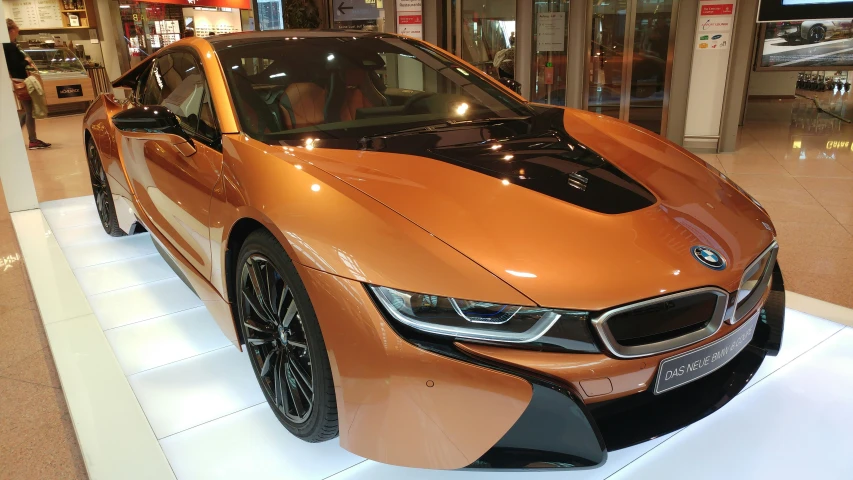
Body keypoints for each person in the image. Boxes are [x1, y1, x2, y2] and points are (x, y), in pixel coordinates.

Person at [4, 19, 50, 149]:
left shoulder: (7, 45)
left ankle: (13, 138)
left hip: (17, 80)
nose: (18, 30)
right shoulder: (10, 46)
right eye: (17, 28)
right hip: (21, 81)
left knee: (27, 110)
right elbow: (16, 66)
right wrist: (26, 60)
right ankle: (33, 140)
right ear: (12, 30)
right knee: (29, 111)